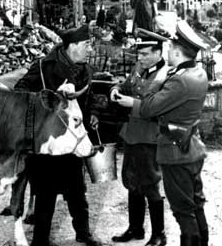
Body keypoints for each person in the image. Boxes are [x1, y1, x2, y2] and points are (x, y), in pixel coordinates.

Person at [114, 20, 210, 246]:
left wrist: (138, 97)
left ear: (175, 51)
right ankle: (137, 228)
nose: (141, 58)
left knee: (183, 209)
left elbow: (149, 106)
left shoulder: (176, 78)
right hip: (185, 144)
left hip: (174, 148)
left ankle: (163, 236)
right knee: (192, 203)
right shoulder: (196, 73)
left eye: (167, 50)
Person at [14, 24, 103, 246]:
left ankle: (83, 233)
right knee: (45, 194)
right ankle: (41, 240)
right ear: (72, 46)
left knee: (77, 193)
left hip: (72, 142)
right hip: (48, 143)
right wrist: (51, 98)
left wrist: (92, 114)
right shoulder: (44, 67)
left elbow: (89, 98)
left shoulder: (85, 70)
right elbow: (20, 91)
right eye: (86, 45)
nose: (89, 49)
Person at [110, 30, 170, 246]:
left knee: (151, 184)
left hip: (149, 138)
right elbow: (126, 85)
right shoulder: (140, 68)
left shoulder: (165, 76)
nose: (140, 58)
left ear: (158, 52)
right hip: (132, 134)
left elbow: (157, 109)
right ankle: (135, 229)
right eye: (139, 54)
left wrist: (131, 103)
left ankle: (159, 234)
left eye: (145, 54)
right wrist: (116, 90)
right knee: (132, 182)